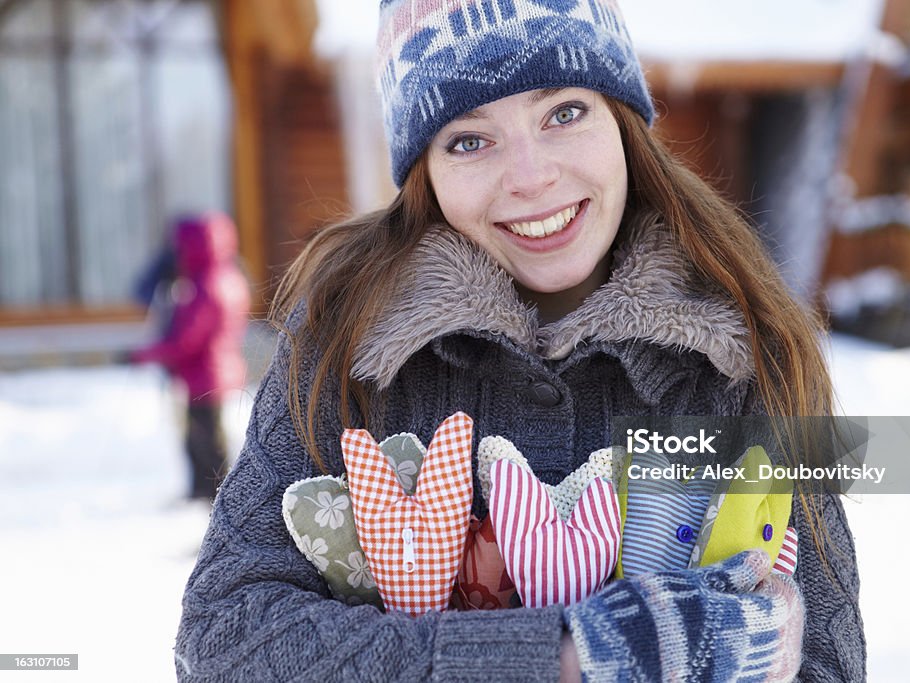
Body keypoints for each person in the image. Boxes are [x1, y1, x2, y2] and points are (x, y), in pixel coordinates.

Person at [174, 1, 865, 680]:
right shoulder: (345, 335)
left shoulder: (747, 349)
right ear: (426, 173)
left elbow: (830, 661)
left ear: (623, 121)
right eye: (469, 140)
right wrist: (559, 656)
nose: (532, 178)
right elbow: (221, 640)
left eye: (563, 112)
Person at [132, 212, 251, 501]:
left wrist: (144, 355)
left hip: (204, 374)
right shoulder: (228, 276)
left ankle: (219, 497)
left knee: (207, 441)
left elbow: (186, 340)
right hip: (216, 369)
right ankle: (207, 493)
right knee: (203, 436)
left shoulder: (204, 287)